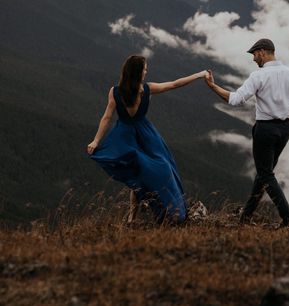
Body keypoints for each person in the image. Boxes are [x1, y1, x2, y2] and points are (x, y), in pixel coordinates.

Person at [87, 54, 208, 225]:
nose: (146, 71)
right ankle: (137, 217)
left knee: (152, 171)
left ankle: (150, 214)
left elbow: (107, 117)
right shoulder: (139, 90)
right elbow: (174, 84)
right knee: (153, 171)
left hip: (131, 136)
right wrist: (96, 141)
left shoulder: (118, 91)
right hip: (139, 136)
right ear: (138, 72)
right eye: (144, 68)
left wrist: (96, 141)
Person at [205, 38, 289, 228]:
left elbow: (236, 100)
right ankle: (245, 217)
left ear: (262, 52)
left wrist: (212, 86)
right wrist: (285, 123)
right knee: (264, 173)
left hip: (265, 130)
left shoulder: (258, 76)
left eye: (254, 54)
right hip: (284, 129)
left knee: (266, 175)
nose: (253, 59)